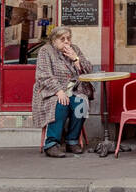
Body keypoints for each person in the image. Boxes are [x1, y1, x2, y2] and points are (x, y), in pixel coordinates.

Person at [33, 26, 95, 157]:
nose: (67, 41)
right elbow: (43, 75)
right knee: (61, 104)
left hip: (75, 89)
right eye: (63, 39)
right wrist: (58, 91)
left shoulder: (75, 49)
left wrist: (76, 59)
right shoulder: (46, 51)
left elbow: (89, 70)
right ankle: (51, 144)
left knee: (82, 104)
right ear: (54, 40)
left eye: (68, 38)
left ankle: (72, 141)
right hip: (50, 91)